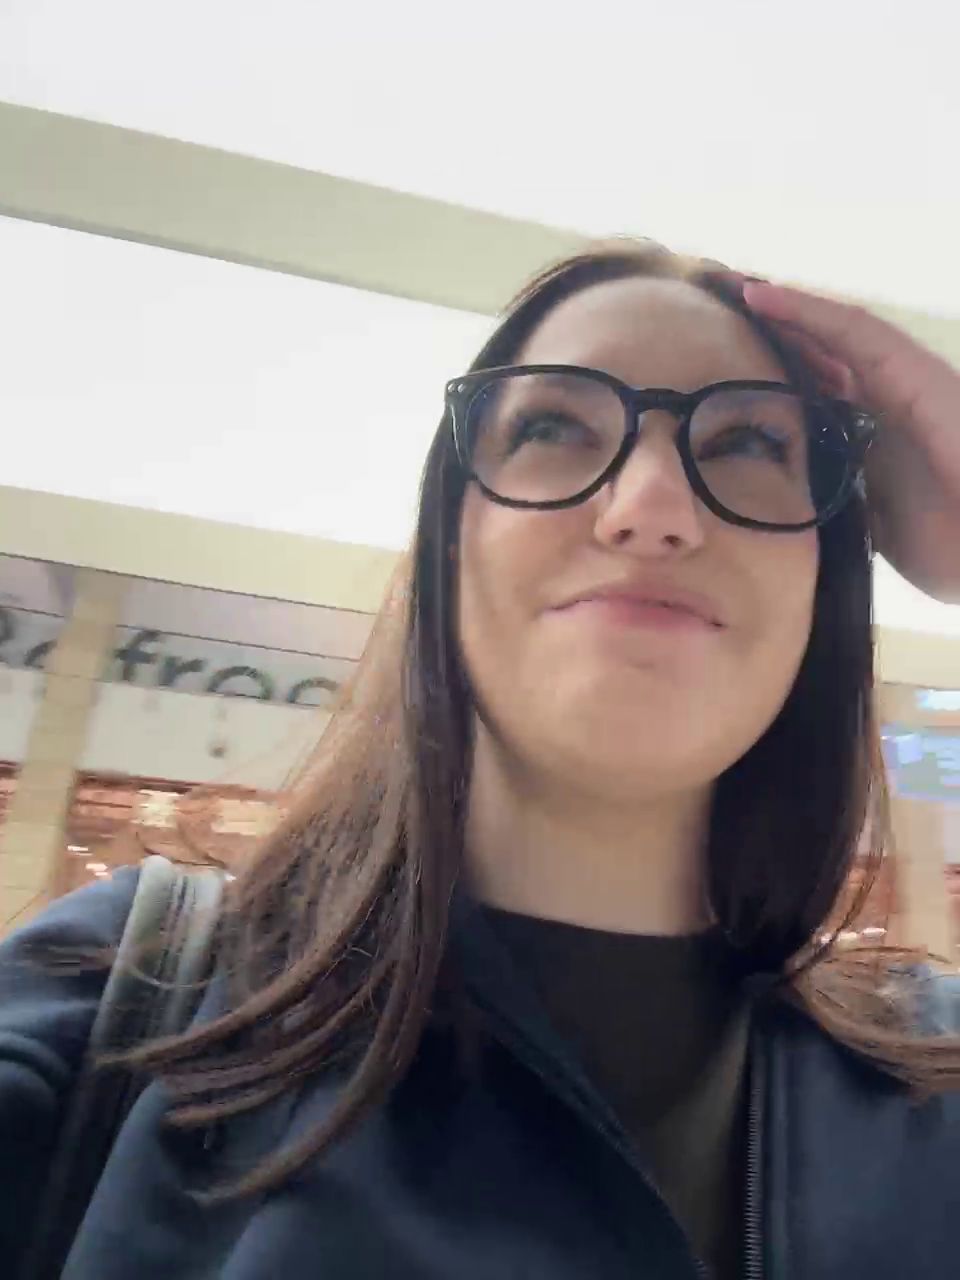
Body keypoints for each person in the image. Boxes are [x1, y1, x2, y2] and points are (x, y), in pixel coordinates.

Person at [2, 240, 960, 1280]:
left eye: (746, 443)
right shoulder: (114, 994)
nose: (649, 507)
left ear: (825, 574)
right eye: (552, 428)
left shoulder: (935, 1087)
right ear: (452, 537)